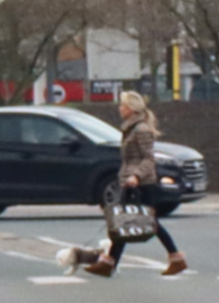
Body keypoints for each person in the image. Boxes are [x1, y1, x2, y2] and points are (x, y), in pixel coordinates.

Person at [62, 91, 187, 279]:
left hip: (142, 183)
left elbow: (148, 158)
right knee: (123, 222)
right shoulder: (131, 128)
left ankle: (175, 258)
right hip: (130, 182)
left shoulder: (142, 129)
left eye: (122, 105)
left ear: (131, 108)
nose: (120, 108)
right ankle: (109, 263)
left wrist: (136, 176)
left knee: (147, 222)